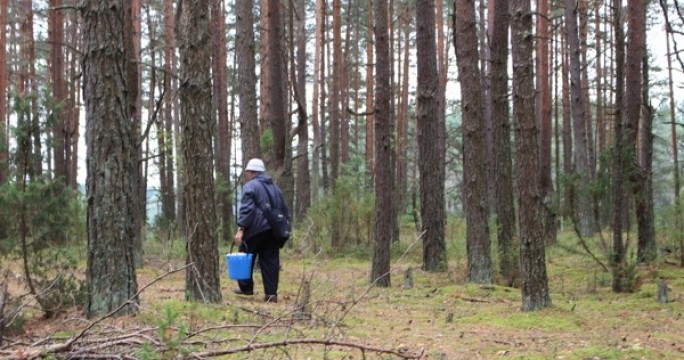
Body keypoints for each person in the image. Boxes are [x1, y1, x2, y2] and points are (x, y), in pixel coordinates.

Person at [233, 158, 289, 303]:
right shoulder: (276, 188)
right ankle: (271, 294)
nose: (247, 175)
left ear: (252, 172)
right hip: (273, 230)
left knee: (245, 255)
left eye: (247, 172)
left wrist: (241, 228)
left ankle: (246, 288)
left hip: (255, 229)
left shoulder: (251, 186)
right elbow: (284, 209)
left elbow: (247, 209)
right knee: (270, 260)